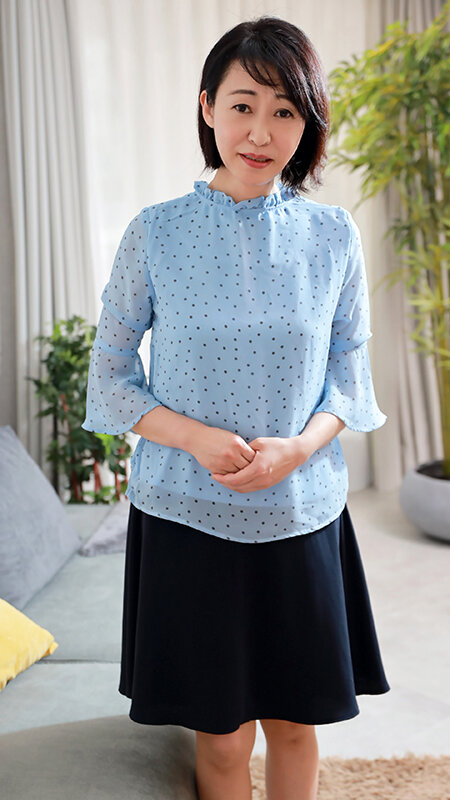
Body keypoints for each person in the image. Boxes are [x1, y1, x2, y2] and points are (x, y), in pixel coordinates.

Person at [82, 15, 391, 800]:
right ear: (207, 107)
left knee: (295, 725)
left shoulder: (334, 236)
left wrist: (300, 448)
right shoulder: (155, 234)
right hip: (186, 517)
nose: (261, 132)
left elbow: (349, 377)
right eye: (243, 105)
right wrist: (193, 438)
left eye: (285, 110)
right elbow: (110, 377)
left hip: (301, 511)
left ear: (307, 122)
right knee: (221, 739)